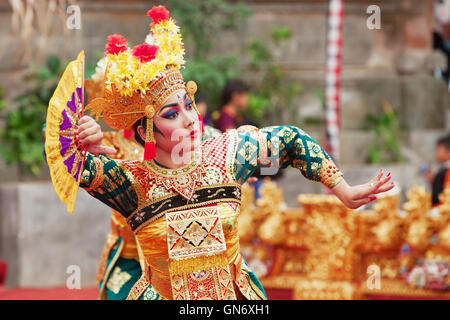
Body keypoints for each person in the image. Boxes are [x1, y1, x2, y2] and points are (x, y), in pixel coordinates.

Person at [46, 6, 394, 300]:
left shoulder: (228, 152)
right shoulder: (132, 183)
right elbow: (71, 159)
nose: (190, 119)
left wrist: (343, 190)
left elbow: (290, 139)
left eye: (188, 104)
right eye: (171, 114)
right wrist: (84, 137)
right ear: (144, 131)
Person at [430, 133, 450, 206]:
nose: (436, 153)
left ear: (448, 152)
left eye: (439, 149)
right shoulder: (443, 171)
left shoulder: (446, 172)